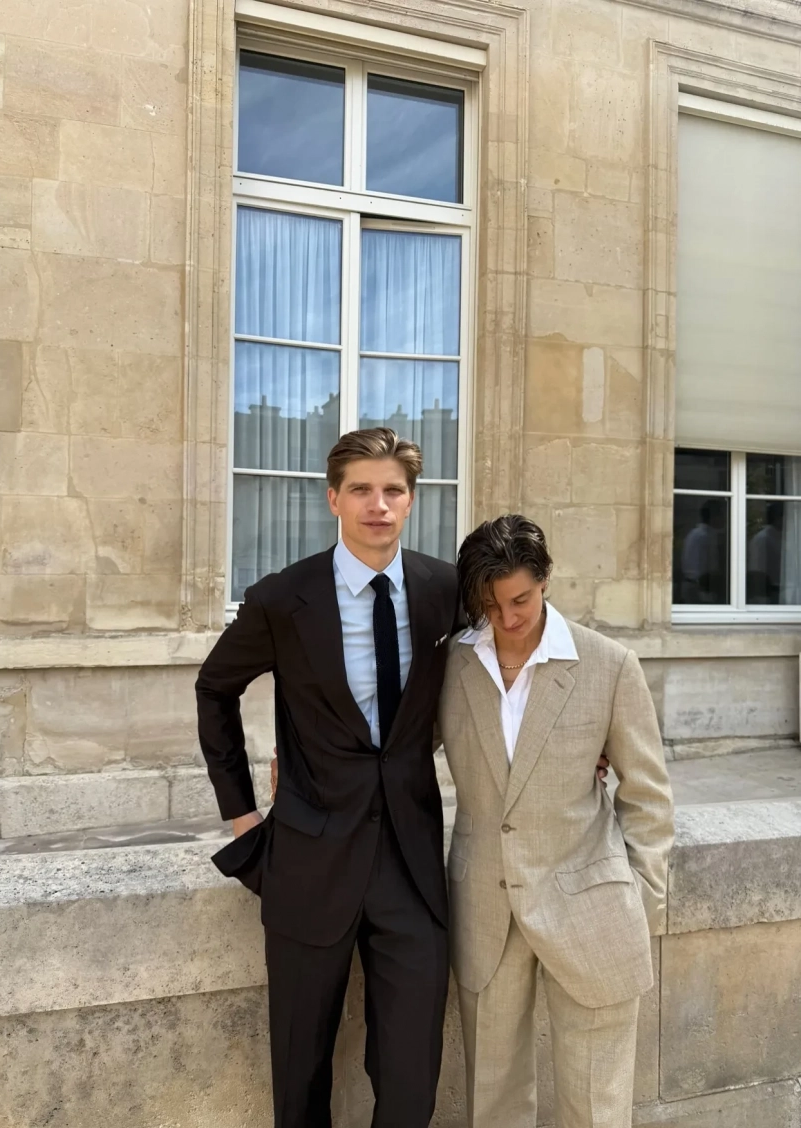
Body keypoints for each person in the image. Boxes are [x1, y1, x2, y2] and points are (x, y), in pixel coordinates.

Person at [195, 428, 464, 1128]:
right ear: (334, 499)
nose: (379, 505)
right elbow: (215, 688)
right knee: (301, 1072)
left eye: (393, 491)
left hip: (410, 865)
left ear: (412, 501)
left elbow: (509, 660)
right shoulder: (284, 598)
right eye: (362, 490)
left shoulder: (444, 589)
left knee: (411, 1078)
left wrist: (590, 748)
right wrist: (242, 816)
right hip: (308, 860)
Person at [439, 514, 674, 1128]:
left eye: (519, 599)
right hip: (485, 908)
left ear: (545, 579)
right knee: (492, 1103)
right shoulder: (452, 666)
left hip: (593, 907)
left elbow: (648, 796)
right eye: (490, 605)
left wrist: (642, 900)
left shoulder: (610, 665)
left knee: (595, 1107)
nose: (506, 617)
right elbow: (396, 753)